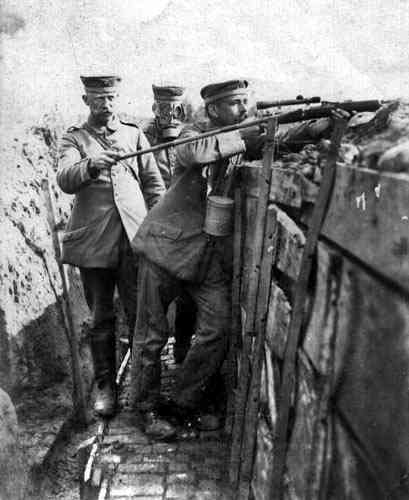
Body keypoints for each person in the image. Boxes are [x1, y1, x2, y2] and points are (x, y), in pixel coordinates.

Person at [128, 79, 265, 439]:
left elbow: (272, 143)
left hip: (206, 258)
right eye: (235, 104)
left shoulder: (239, 136)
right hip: (165, 250)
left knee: (217, 329)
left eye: (245, 102)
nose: (242, 109)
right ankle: (145, 408)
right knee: (151, 337)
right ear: (214, 109)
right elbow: (194, 153)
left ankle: (183, 403)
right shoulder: (194, 134)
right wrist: (247, 136)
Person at [57, 75, 166, 417]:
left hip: (134, 242)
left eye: (111, 98)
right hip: (94, 244)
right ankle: (106, 387)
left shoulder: (134, 134)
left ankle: (144, 392)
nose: (106, 104)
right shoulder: (74, 138)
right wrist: (91, 164)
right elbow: (64, 178)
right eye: (99, 99)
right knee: (102, 316)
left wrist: (156, 227)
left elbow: (153, 185)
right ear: (86, 99)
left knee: (142, 317)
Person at [143, 84, 196, 365]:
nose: (171, 116)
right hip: (154, 232)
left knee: (187, 296)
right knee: (154, 304)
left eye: (177, 109)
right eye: (164, 109)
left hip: (185, 232)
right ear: (155, 109)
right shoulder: (143, 140)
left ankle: (182, 349)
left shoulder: (190, 137)